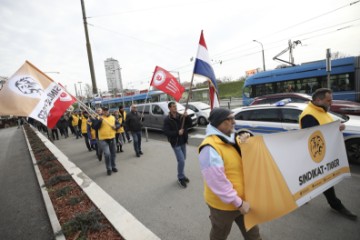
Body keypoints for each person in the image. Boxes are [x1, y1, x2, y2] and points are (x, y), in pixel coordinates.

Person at [198, 108, 262, 240]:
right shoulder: (210, 148)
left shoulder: (232, 137)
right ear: (219, 122)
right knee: (219, 235)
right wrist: (238, 203)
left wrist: (247, 143)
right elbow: (218, 182)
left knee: (253, 235)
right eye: (230, 119)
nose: (234, 121)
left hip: (243, 199)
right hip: (223, 207)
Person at [299, 88, 357, 221]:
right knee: (324, 180)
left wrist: (338, 127)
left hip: (325, 154)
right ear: (318, 100)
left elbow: (326, 128)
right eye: (328, 100)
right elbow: (312, 137)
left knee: (314, 179)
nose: (331, 102)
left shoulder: (322, 111)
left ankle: (302, 196)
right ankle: (336, 205)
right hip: (317, 156)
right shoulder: (309, 115)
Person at [163, 101, 192, 188]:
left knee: (183, 159)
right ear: (169, 108)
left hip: (183, 141)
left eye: (175, 106)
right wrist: (177, 132)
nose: (175, 108)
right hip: (176, 143)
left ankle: (182, 174)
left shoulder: (180, 116)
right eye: (173, 106)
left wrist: (187, 117)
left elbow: (189, 124)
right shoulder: (167, 119)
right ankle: (180, 178)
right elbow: (166, 132)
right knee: (181, 160)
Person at [92, 107, 119, 175]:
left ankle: (113, 167)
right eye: (104, 111)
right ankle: (108, 168)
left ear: (108, 111)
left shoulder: (113, 117)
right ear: (102, 112)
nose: (105, 112)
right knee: (107, 154)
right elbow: (94, 127)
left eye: (106, 110)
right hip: (103, 139)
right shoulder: (98, 118)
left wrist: (116, 127)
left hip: (112, 138)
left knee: (113, 154)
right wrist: (100, 121)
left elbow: (118, 124)